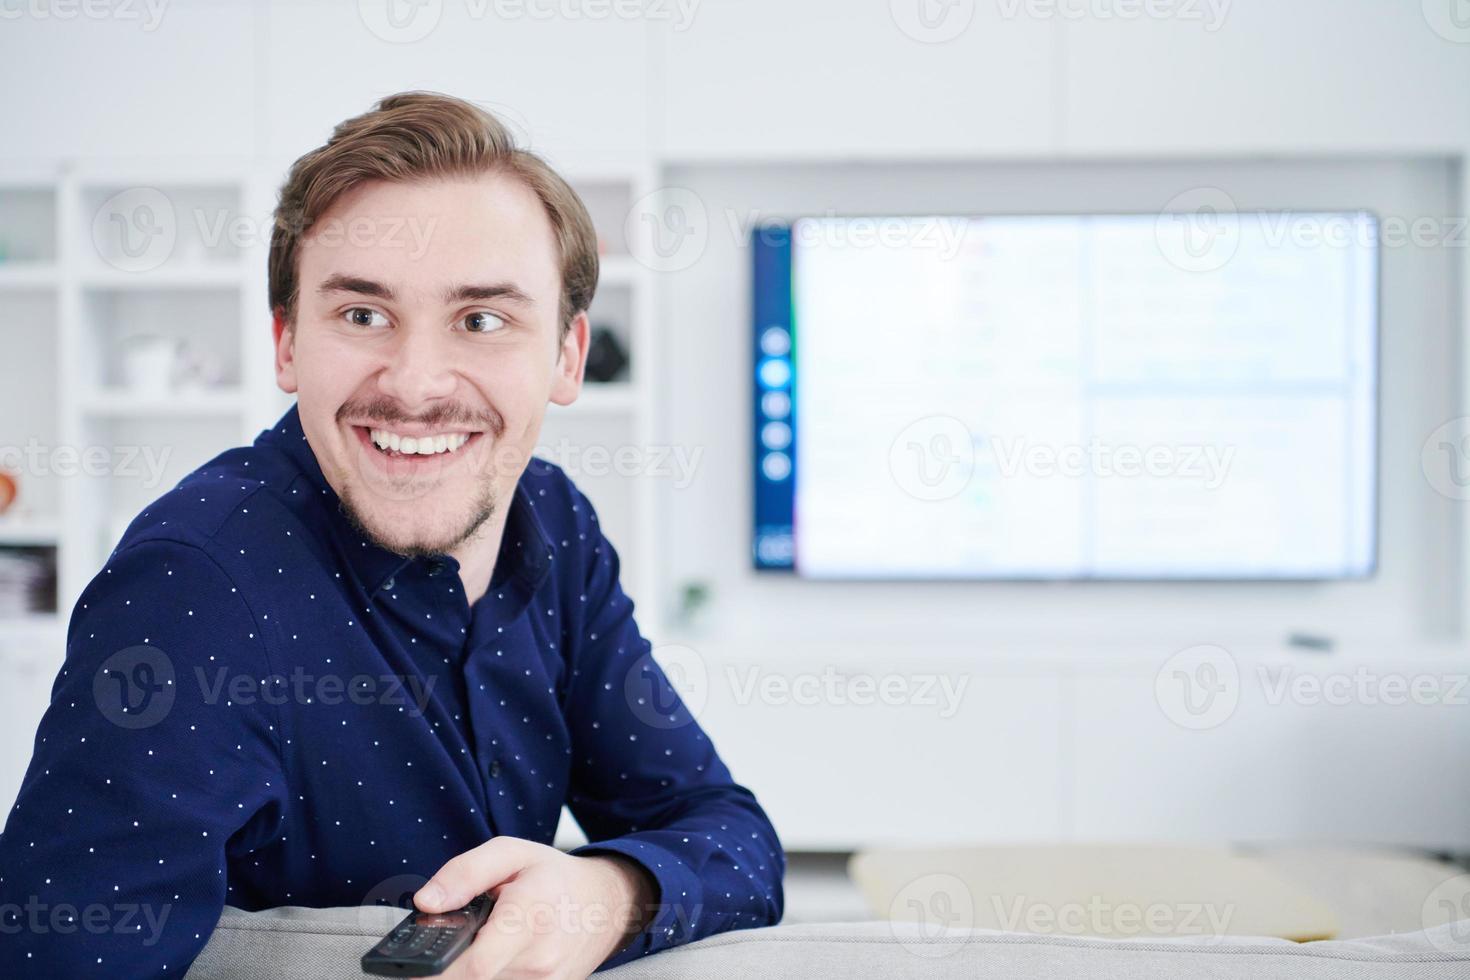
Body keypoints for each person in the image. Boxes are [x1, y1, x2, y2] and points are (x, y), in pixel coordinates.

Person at [0, 91, 784, 978]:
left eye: (482, 320)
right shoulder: (195, 589)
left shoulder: (553, 523)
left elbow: (734, 838)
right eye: (363, 315)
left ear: (567, 356)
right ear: (288, 342)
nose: (414, 385)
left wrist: (609, 890)